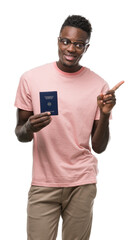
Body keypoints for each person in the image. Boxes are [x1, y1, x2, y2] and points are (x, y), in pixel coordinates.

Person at [15, 15, 124, 240]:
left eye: (78, 44)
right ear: (58, 41)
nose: (71, 48)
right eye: (66, 41)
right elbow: (20, 134)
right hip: (44, 183)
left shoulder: (98, 85)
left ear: (86, 47)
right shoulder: (31, 78)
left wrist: (105, 115)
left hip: (81, 182)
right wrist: (29, 127)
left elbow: (99, 147)